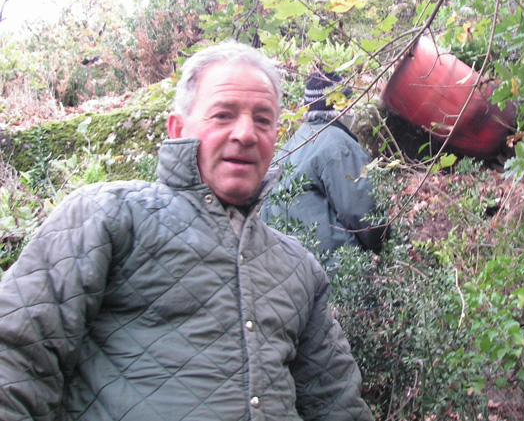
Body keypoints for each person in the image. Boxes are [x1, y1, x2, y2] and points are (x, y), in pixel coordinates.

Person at [0, 41, 373, 421]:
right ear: (178, 129)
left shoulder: (299, 268)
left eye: (263, 119)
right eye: (223, 115)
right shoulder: (107, 216)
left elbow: (336, 401)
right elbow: (15, 356)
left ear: (276, 137)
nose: (245, 133)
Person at [264, 70, 386, 260]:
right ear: (341, 106)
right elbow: (365, 214)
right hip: (333, 271)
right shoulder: (339, 145)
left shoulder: (293, 144)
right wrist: (386, 246)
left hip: (286, 266)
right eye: (349, 103)